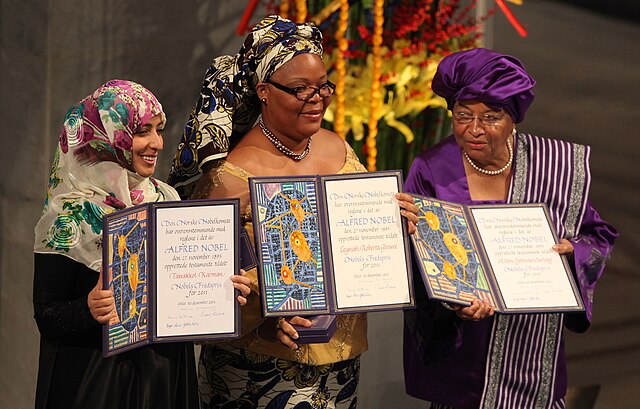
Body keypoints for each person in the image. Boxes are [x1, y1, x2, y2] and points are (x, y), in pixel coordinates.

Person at [168, 15, 419, 409]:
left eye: (323, 87)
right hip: (255, 368)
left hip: (339, 365)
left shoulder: (341, 151)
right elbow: (198, 282)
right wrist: (266, 314)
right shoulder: (232, 174)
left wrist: (393, 227)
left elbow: (356, 244)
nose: (316, 98)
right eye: (300, 89)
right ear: (264, 91)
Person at [402, 48, 618, 409]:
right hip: (464, 361)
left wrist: (572, 251)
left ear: (513, 117)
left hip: (531, 355)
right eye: (462, 115)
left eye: (490, 117)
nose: (473, 129)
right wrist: (452, 303)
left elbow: (599, 238)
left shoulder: (556, 167)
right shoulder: (430, 168)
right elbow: (413, 262)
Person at [33, 79, 251, 409]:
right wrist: (88, 310)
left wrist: (219, 291)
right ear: (107, 135)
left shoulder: (166, 198)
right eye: (142, 131)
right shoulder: (68, 216)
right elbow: (47, 314)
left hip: (164, 376)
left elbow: (179, 296)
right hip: (95, 382)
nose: (157, 143)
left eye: (158, 130)